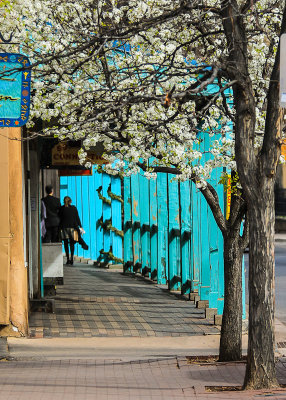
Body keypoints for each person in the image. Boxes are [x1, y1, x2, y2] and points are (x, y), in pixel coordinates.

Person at [59, 196, 88, 265]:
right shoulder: (74, 208)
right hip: (73, 228)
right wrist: (80, 226)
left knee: (66, 244)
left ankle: (67, 259)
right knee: (72, 243)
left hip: (64, 228)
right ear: (70, 201)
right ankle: (72, 258)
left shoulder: (62, 209)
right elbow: (77, 218)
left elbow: (60, 218)